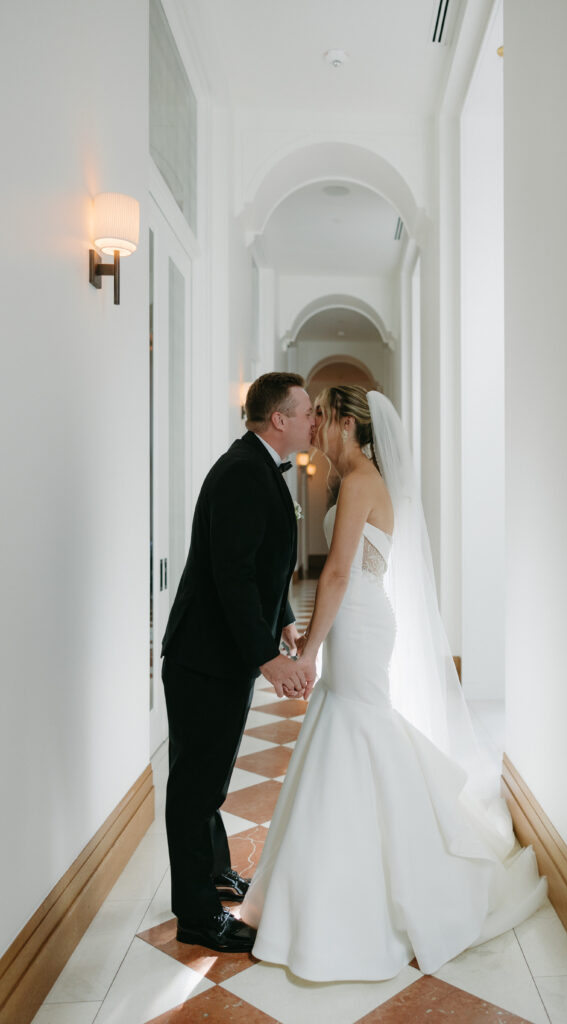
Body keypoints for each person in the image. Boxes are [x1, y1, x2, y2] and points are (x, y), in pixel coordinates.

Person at [239, 385, 547, 981]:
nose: (320, 429)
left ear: (351, 426)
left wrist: (312, 647)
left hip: (355, 619)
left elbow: (335, 574)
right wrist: (313, 640)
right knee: (351, 726)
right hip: (358, 618)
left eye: (326, 418)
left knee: (361, 728)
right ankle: (327, 881)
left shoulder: (358, 483)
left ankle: (384, 884)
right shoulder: (360, 480)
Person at [161, 372, 316, 953]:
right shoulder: (241, 474)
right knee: (196, 787)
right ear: (279, 418)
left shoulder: (256, 467)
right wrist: (267, 660)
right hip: (204, 659)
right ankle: (197, 916)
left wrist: (281, 618)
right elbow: (232, 576)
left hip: (218, 658)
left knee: (211, 777)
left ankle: (215, 873)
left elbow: (261, 560)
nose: (311, 421)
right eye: (304, 412)